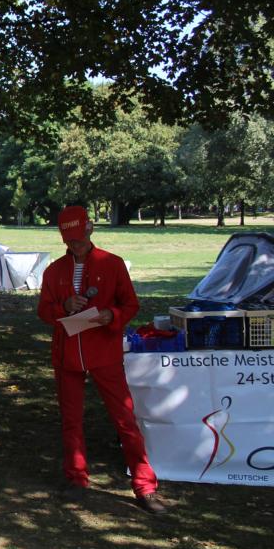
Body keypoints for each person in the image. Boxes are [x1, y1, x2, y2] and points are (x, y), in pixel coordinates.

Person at [36, 206, 166, 514]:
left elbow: (131, 304)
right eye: (69, 239)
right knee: (71, 420)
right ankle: (76, 478)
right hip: (67, 355)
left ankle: (145, 486)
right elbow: (44, 311)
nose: (75, 244)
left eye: (79, 237)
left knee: (125, 419)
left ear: (90, 228)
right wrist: (64, 307)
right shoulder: (54, 271)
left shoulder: (112, 264)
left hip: (104, 352)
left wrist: (112, 315)